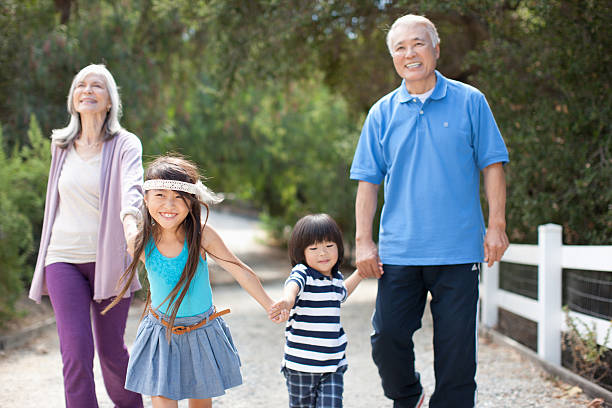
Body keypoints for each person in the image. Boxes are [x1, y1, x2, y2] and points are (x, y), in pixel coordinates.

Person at [350, 14, 510, 408]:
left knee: (457, 355)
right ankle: (409, 397)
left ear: (436, 50)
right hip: (399, 252)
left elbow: (493, 165)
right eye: (400, 48)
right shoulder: (381, 113)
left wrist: (497, 226)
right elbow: (367, 182)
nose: (410, 54)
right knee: (387, 339)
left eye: (418, 44)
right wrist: (363, 242)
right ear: (393, 59)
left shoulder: (471, 101)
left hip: (458, 251)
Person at [103, 155, 285, 408]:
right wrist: (127, 213)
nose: (169, 204)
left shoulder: (201, 235)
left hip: (202, 332)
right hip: (161, 334)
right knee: (163, 400)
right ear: (146, 198)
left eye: (179, 197)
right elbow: (129, 227)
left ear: (192, 202)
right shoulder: (141, 242)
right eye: (160, 195)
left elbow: (239, 270)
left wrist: (269, 304)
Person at [29, 64, 144, 407]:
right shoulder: (61, 145)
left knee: (111, 354)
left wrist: (131, 224)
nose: (88, 90)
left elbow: (132, 188)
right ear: (73, 99)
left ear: (110, 101)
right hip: (62, 258)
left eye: (97, 86)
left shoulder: (125, 143)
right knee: (76, 352)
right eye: (81, 85)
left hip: (111, 260)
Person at [272, 214, 372, 408]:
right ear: (301, 252)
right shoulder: (303, 273)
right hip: (301, 365)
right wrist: (287, 301)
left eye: (329, 245)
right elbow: (293, 286)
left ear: (338, 247)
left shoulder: (335, 279)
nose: (323, 253)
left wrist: (360, 273)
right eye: (314, 248)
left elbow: (343, 292)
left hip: (332, 364)